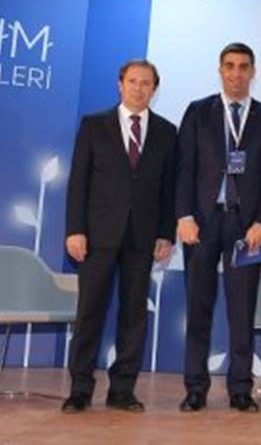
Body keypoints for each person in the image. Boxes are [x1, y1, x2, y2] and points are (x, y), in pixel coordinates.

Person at [176, 43, 261, 413]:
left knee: (242, 311)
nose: (236, 73)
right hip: (202, 224)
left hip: (246, 228)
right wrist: (184, 215)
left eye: (243, 66)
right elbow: (184, 168)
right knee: (198, 309)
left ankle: (240, 389)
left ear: (253, 71)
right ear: (220, 70)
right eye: (229, 66)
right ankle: (195, 388)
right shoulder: (197, 111)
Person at [62, 59, 177, 413]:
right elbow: (78, 182)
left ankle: (123, 389)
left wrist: (165, 233)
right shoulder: (94, 125)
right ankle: (80, 388)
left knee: (133, 315)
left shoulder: (166, 132)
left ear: (154, 89)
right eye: (133, 81)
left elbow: (168, 189)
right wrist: (75, 230)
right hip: (97, 235)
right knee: (90, 313)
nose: (139, 88)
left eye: (146, 83)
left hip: (142, 237)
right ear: (120, 84)